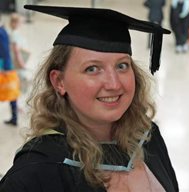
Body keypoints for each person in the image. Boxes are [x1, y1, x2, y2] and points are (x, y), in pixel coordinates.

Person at [0, 5, 179, 192]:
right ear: (59, 81)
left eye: (122, 66)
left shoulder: (147, 135)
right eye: (92, 69)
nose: (114, 84)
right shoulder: (35, 173)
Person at [0, 13, 19, 126]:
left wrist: (3, 67)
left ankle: (14, 117)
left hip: (4, 68)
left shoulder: (1, 32)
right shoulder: (3, 30)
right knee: (11, 93)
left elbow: (4, 52)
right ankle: (14, 117)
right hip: (7, 66)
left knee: (11, 92)